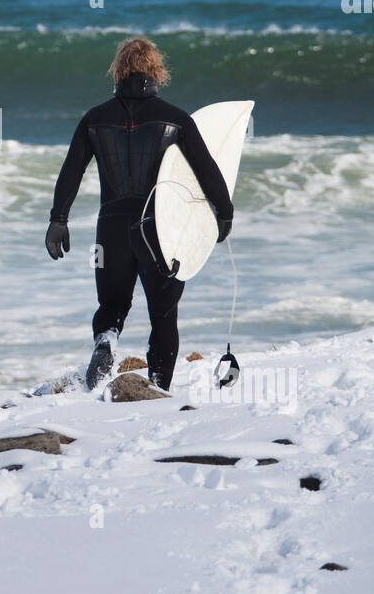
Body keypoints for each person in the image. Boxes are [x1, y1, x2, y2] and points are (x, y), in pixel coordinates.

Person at [45, 37, 233, 392]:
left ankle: (106, 340)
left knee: (112, 305)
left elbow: (71, 170)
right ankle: (157, 387)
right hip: (159, 230)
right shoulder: (176, 119)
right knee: (163, 314)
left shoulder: (94, 119)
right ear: (156, 71)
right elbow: (208, 170)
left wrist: (59, 219)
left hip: (110, 228)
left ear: (118, 71)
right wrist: (223, 214)